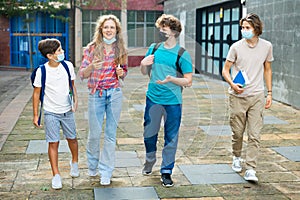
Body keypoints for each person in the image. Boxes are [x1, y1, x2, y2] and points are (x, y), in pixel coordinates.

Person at [140, 14, 193, 187]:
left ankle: (166, 171)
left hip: (173, 102)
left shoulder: (182, 54)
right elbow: (143, 71)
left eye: (164, 29)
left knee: (171, 137)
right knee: (149, 134)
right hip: (153, 99)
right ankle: (149, 159)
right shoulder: (154, 48)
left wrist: (171, 79)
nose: (161, 31)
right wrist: (143, 63)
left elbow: (188, 81)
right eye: (160, 28)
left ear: (174, 32)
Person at [222, 13, 273, 182]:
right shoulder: (236, 47)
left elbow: (267, 69)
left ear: (256, 29)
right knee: (237, 132)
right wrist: (232, 84)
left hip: (257, 96)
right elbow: (225, 70)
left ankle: (251, 168)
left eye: (247, 28)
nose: (243, 30)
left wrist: (270, 92)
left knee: (254, 134)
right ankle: (237, 157)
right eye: (242, 28)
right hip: (237, 96)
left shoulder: (266, 46)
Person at [79, 14, 127, 186]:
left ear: (116, 30)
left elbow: (124, 71)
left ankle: (106, 171)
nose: (109, 30)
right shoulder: (91, 48)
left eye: (112, 27)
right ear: (101, 29)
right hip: (96, 95)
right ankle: (92, 165)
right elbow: (82, 74)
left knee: (110, 135)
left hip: (114, 93)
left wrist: (122, 73)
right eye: (106, 27)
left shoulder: (120, 49)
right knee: (94, 134)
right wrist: (92, 66)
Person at [32, 38, 79, 189]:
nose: (62, 52)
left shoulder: (68, 66)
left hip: (67, 111)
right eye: (59, 51)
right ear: (50, 55)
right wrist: (35, 115)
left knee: (72, 138)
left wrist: (75, 100)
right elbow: (36, 93)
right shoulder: (42, 71)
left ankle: (75, 162)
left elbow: (72, 85)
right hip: (50, 112)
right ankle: (56, 175)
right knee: (53, 142)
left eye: (61, 50)